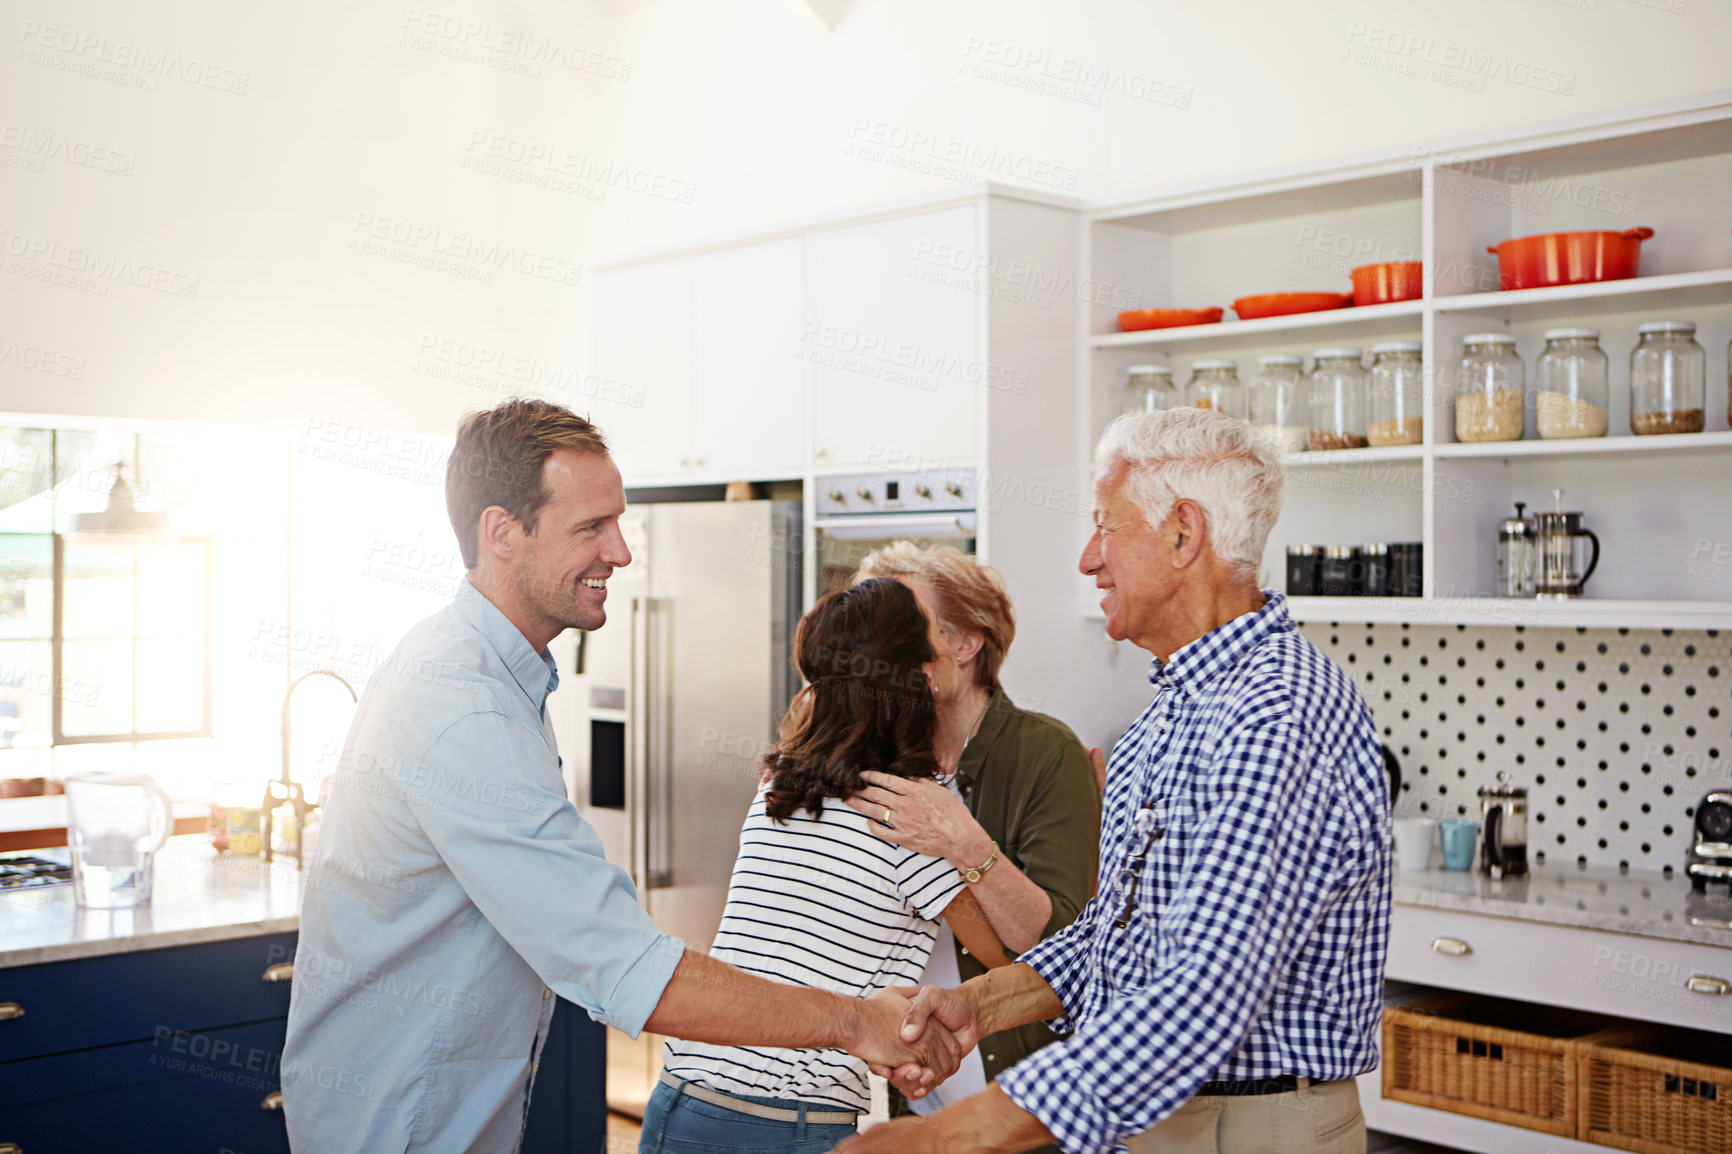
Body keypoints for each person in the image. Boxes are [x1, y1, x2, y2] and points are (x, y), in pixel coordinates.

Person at [282, 400, 959, 1153]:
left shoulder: (496, 680)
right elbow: (624, 964)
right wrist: (855, 1020)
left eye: (618, 522)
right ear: (501, 533)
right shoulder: (462, 705)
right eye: (590, 528)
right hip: (398, 1128)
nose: (622, 552)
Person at [842, 407, 1393, 1154]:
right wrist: (981, 1003)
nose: (1086, 559)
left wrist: (948, 1137)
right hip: (1169, 1120)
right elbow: (1117, 938)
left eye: (1106, 525)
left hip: (1252, 1127)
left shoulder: (1275, 713)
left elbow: (1204, 992)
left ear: (1183, 533)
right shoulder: (1165, 716)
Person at [645, 577, 1025, 1153]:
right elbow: (1014, 953)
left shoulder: (781, 781)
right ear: (920, 678)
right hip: (782, 1124)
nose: (948, 646)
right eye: (935, 634)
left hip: (682, 1097)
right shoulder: (908, 813)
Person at [844, 543, 1100, 1150]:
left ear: (965, 644)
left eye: (905, 629)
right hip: (907, 1094)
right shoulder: (873, 754)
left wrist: (963, 841)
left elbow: (1065, 951)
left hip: (1013, 1112)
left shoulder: (1047, 754)